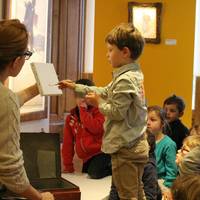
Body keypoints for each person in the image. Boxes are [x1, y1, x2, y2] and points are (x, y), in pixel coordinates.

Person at [58, 23, 149, 200]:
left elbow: (116, 112)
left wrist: (98, 103)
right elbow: (105, 91)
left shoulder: (125, 80)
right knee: (137, 190)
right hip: (135, 144)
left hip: (125, 147)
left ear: (125, 52)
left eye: (110, 50)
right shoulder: (131, 74)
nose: (107, 55)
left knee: (127, 194)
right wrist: (76, 86)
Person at [0, 19, 54, 200]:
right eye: (26, 54)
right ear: (16, 61)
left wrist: (36, 88)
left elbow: (9, 100)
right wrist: (40, 198)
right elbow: (12, 173)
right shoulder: (5, 99)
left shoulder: (6, 98)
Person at [62, 78, 111, 179]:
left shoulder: (99, 110)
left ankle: (114, 167)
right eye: (78, 95)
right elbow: (68, 143)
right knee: (88, 178)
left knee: (94, 173)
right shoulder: (71, 118)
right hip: (86, 157)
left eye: (85, 95)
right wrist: (68, 166)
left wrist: (83, 109)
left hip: (102, 153)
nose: (81, 99)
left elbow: (96, 128)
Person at [108, 131, 162, 200]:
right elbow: (114, 190)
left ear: (147, 148)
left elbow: (150, 196)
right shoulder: (120, 163)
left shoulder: (149, 168)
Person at [147, 106, 177, 199]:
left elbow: (171, 174)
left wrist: (163, 190)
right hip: (146, 181)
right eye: (146, 119)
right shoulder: (143, 142)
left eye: (152, 120)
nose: (147, 123)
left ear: (162, 124)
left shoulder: (169, 144)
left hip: (160, 184)